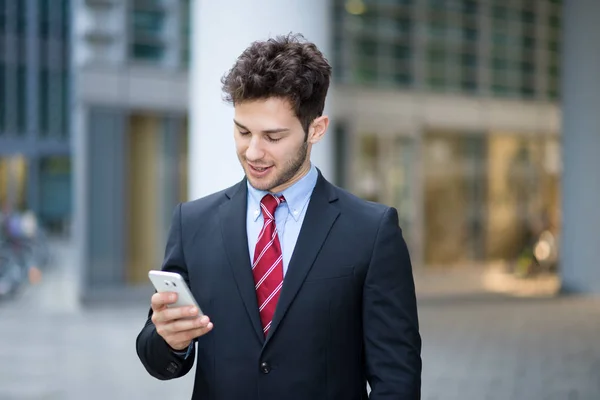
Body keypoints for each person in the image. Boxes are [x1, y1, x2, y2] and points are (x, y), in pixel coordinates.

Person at [136, 33, 422, 399]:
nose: (253, 151)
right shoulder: (192, 222)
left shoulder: (372, 231)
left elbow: (396, 378)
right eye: (243, 131)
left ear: (315, 130)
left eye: (272, 136)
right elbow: (156, 357)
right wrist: (168, 340)